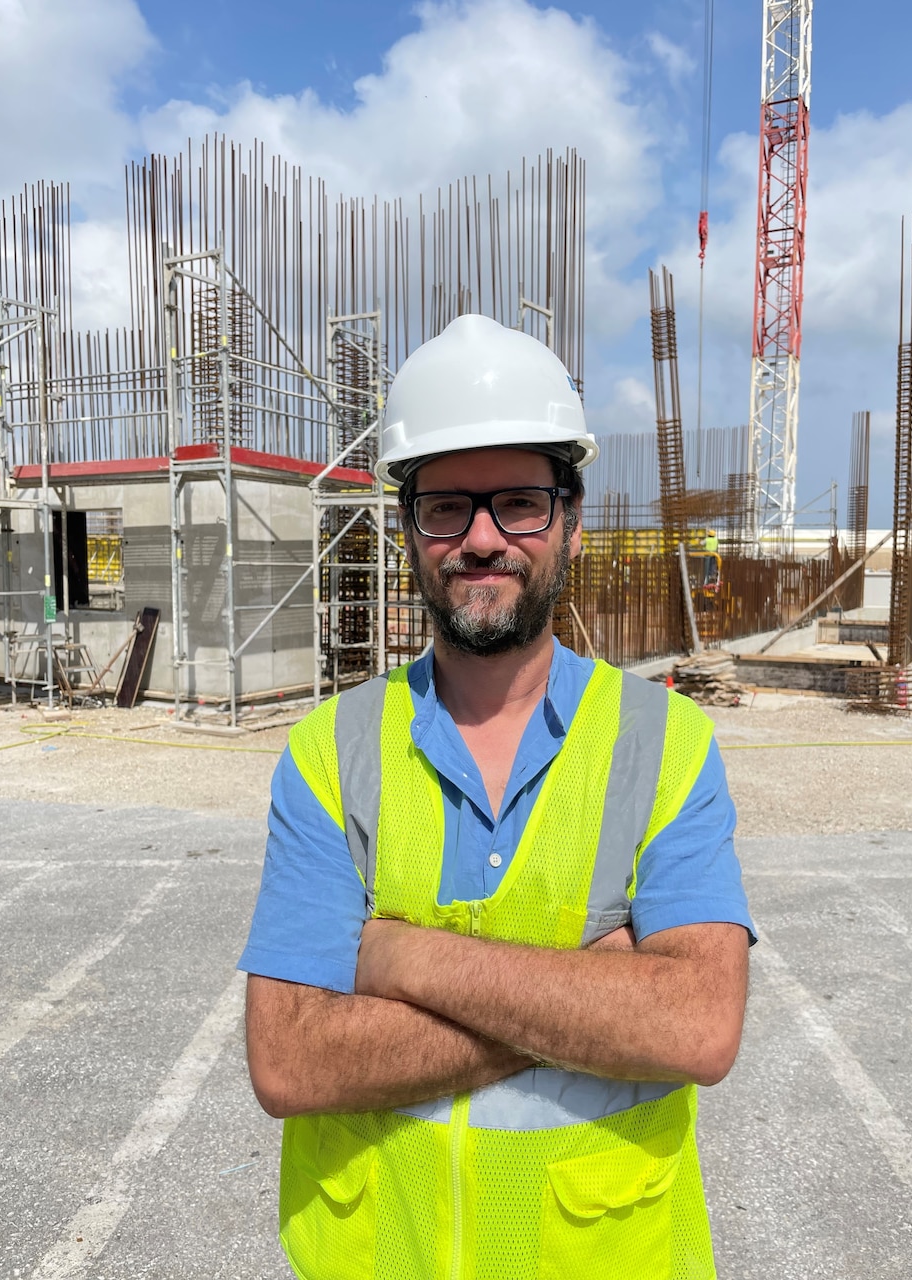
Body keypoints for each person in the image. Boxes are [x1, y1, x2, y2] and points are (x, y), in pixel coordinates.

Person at [239, 313, 754, 1280]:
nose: (482, 540)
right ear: (407, 530)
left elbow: (694, 1027)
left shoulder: (664, 745)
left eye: (519, 501)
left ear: (569, 517)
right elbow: (291, 1061)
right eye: (445, 508)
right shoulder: (330, 753)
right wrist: (592, 997)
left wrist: (394, 954)